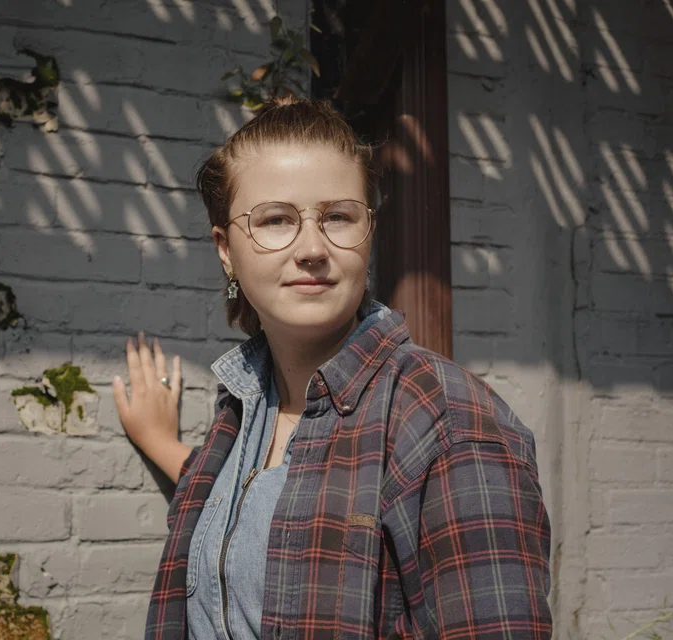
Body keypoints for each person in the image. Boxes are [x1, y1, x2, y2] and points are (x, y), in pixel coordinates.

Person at [112, 96, 552, 639]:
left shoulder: (450, 423)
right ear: (225, 249)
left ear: (368, 231)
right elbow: (273, 505)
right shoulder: (246, 407)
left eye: (338, 217)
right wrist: (161, 443)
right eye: (276, 220)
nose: (312, 248)